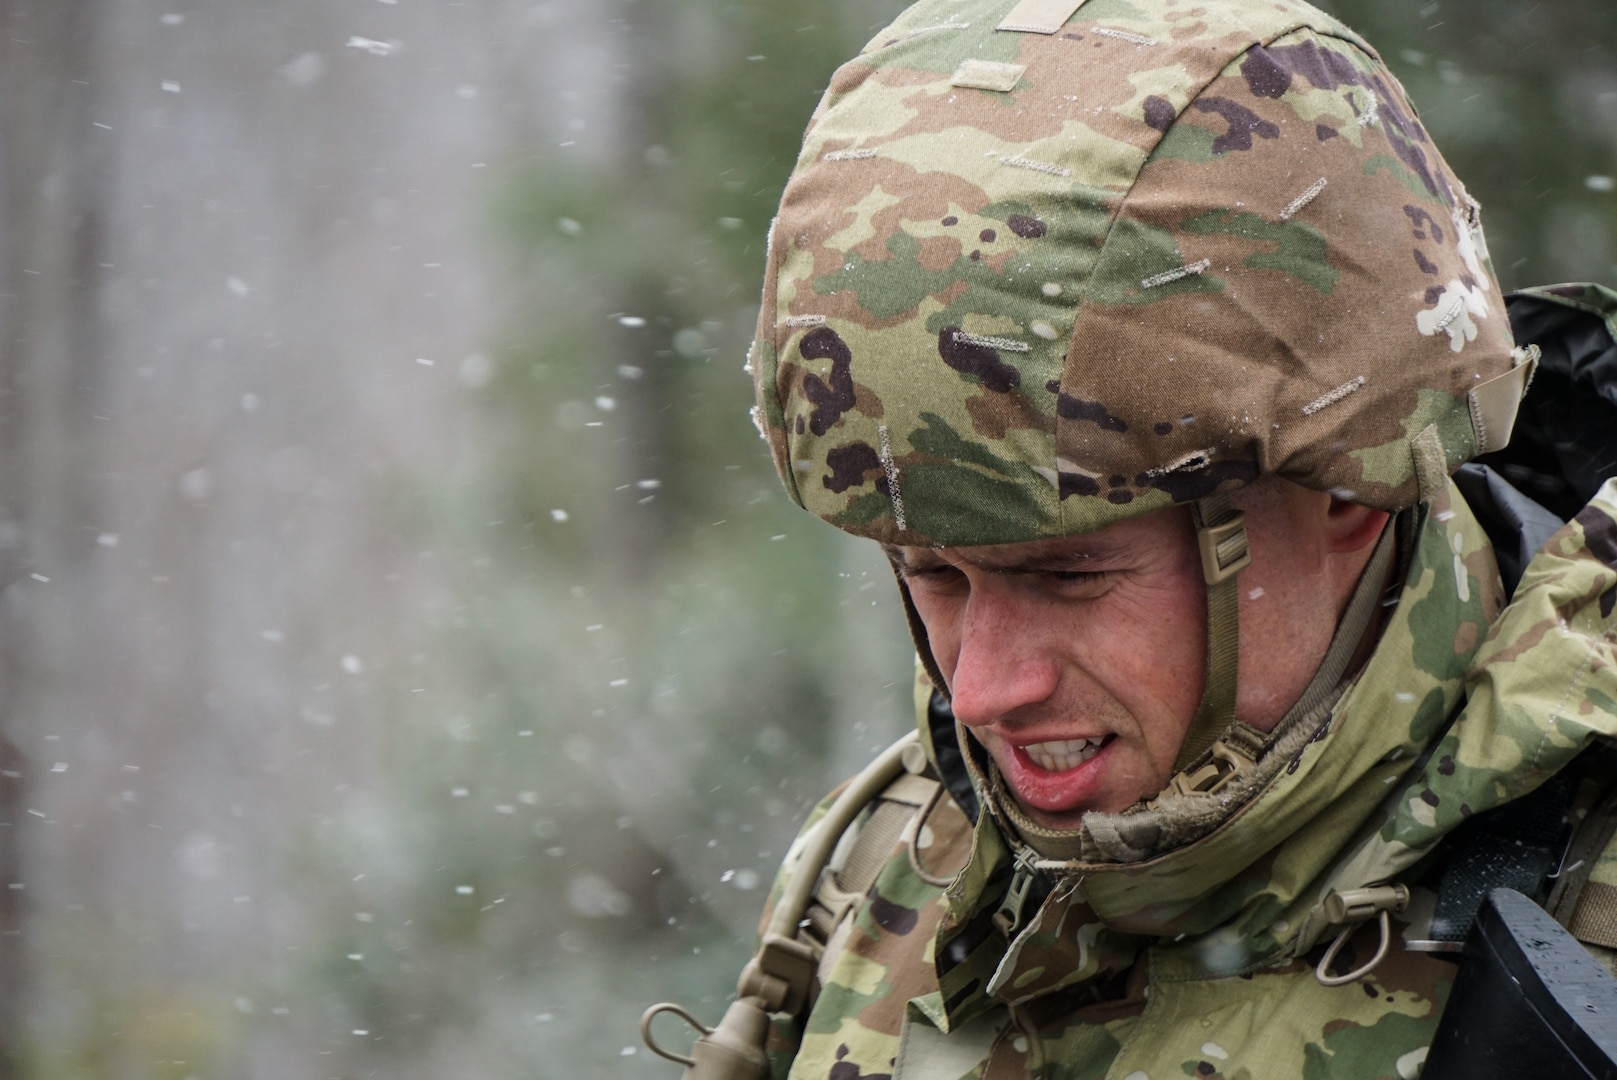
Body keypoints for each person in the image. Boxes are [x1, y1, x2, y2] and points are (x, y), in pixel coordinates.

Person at [643, 0, 1617, 1075]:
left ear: (1350, 489)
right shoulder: (894, 863)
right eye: (934, 576)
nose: (980, 692)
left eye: (1068, 574)